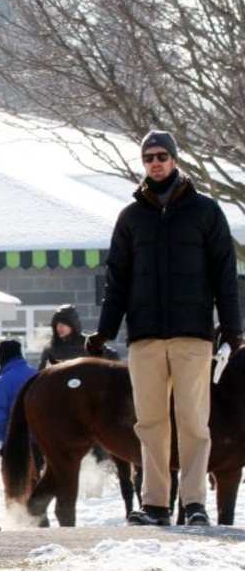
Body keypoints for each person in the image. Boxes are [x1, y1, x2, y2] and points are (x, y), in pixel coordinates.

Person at [86, 130, 241, 527]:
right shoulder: (131, 217)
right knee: (150, 422)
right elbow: (116, 279)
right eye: (148, 157)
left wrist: (233, 327)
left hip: (193, 335)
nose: (155, 162)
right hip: (145, 336)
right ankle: (155, 504)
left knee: (193, 421)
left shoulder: (205, 212)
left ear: (174, 159)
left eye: (161, 156)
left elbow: (225, 273)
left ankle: (193, 504)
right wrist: (105, 331)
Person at [0, 340, 36, 469]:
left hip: (15, 447)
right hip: (41, 445)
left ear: (2, 357)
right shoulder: (37, 375)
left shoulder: (4, 382)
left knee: (18, 488)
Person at [38, 304, 116, 367]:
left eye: (64, 324)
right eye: (57, 325)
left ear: (73, 325)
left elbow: (113, 357)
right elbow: (41, 375)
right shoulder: (51, 349)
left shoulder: (89, 344)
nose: (59, 328)